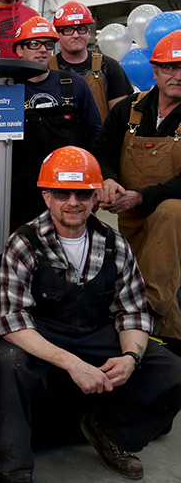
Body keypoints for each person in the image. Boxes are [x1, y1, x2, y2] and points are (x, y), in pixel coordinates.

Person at [0, 146, 181, 483]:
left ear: (95, 198)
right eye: (62, 193)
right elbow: (11, 321)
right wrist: (71, 363)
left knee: (173, 370)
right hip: (41, 334)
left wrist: (130, 356)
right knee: (11, 364)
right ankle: (14, 469)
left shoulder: (115, 244)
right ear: (47, 196)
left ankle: (112, 435)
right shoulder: (23, 243)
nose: (73, 202)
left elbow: (133, 311)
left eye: (82, 193)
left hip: (95, 332)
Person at [93, 29, 181, 340]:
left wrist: (141, 197)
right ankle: (167, 343)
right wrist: (109, 179)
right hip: (130, 214)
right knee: (141, 274)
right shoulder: (128, 108)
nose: (177, 76)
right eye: (170, 68)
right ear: (155, 71)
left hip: (172, 217)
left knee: (173, 210)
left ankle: (144, 313)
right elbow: (102, 150)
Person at [10, 16, 102, 228]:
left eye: (48, 44)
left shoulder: (73, 83)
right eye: (34, 44)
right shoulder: (7, 88)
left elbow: (95, 135)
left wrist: (97, 182)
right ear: (19, 50)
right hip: (22, 190)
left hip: (69, 189)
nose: (43, 49)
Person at [50, 1, 132, 122]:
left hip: (99, 139)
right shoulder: (47, 68)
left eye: (81, 29)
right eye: (68, 30)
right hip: (57, 140)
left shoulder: (108, 66)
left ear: (89, 33)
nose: (76, 35)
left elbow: (120, 117)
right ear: (58, 36)